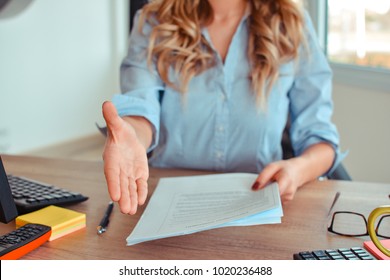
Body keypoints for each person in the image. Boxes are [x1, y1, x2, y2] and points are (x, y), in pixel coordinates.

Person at [102, 0, 344, 215]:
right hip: (168, 207)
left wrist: (298, 169)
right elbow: (141, 107)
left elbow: (320, 138)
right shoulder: (154, 21)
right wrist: (132, 135)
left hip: (259, 207)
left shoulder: (292, 24)